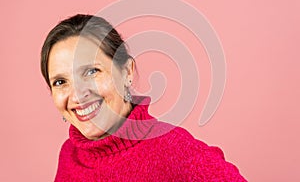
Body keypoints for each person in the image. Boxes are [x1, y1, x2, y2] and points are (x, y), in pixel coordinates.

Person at [40, 14, 247, 181]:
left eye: (92, 71)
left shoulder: (172, 149)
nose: (77, 94)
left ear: (127, 73)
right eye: (60, 82)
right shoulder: (70, 154)